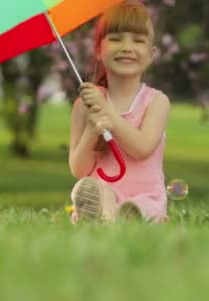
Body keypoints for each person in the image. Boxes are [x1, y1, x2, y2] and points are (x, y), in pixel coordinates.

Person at [68, 0, 171, 223]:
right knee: (86, 189)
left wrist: (109, 114)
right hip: (103, 194)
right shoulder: (85, 104)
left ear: (151, 54)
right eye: (115, 39)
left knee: (138, 208)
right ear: (98, 50)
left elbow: (142, 148)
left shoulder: (156, 102)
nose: (126, 47)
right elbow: (78, 168)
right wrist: (92, 131)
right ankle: (110, 216)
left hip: (145, 197)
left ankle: (120, 218)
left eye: (138, 40)